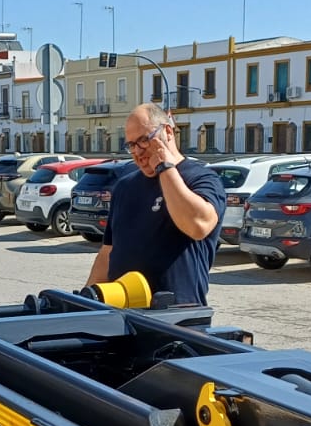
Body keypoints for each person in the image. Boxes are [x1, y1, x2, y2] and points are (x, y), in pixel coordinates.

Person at [84, 102, 225, 306]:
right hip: (122, 310)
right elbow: (108, 252)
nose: (137, 151)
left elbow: (198, 226)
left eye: (144, 140)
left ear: (167, 132)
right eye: (131, 145)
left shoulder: (201, 179)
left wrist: (164, 167)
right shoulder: (125, 187)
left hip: (176, 314)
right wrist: (86, 301)